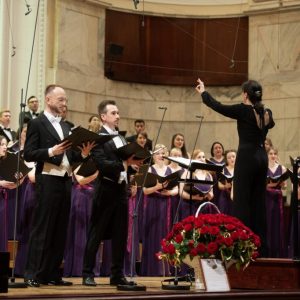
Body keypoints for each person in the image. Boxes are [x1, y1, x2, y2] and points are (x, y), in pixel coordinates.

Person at [23, 84, 94, 287]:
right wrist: (50, 152)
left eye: (65, 100)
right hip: (47, 178)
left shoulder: (66, 126)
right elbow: (28, 153)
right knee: (42, 227)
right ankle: (32, 274)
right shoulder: (37, 123)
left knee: (60, 228)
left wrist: (83, 154)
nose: (64, 103)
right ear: (48, 100)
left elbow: (70, 157)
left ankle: (52, 273)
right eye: (61, 99)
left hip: (65, 181)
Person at [196, 78, 275, 256]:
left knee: (241, 201)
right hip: (262, 158)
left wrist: (203, 93)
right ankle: (260, 247)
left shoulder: (242, 110)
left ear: (245, 94)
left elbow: (218, 106)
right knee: (258, 202)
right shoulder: (267, 112)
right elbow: (269, 124)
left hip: (247, 158)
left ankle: (241, 246)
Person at [82, 100, 143, 287]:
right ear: (103, 116)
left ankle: (117, 274)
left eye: (118, 112)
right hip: (105, 190)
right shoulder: (97, 138)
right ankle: (87, 273)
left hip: (120, 191)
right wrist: (124, 165)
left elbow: (124, 163)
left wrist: (133, 166)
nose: (118, 116)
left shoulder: (121, 138)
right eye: (114, 113)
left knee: (120, 234)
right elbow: (101, 164)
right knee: (96, 233)